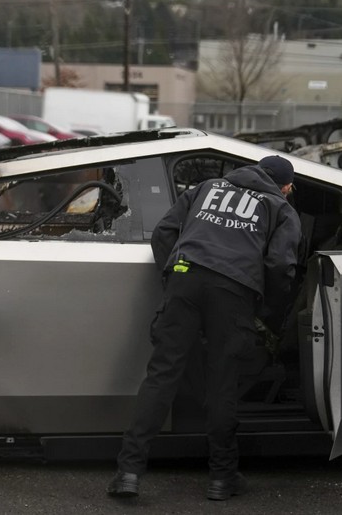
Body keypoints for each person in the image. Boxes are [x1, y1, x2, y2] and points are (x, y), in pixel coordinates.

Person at [107, 155, 301, 501]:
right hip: (234, 291)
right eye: (290, 188)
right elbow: (281, 266)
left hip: (185, 277)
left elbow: (165, 232)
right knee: (221, 383)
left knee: (162, 375)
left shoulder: (206, 188)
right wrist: (266, 309)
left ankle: (129, 473)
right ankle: (222, 478)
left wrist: (175, 278)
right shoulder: (280, 208)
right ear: (285, 186)